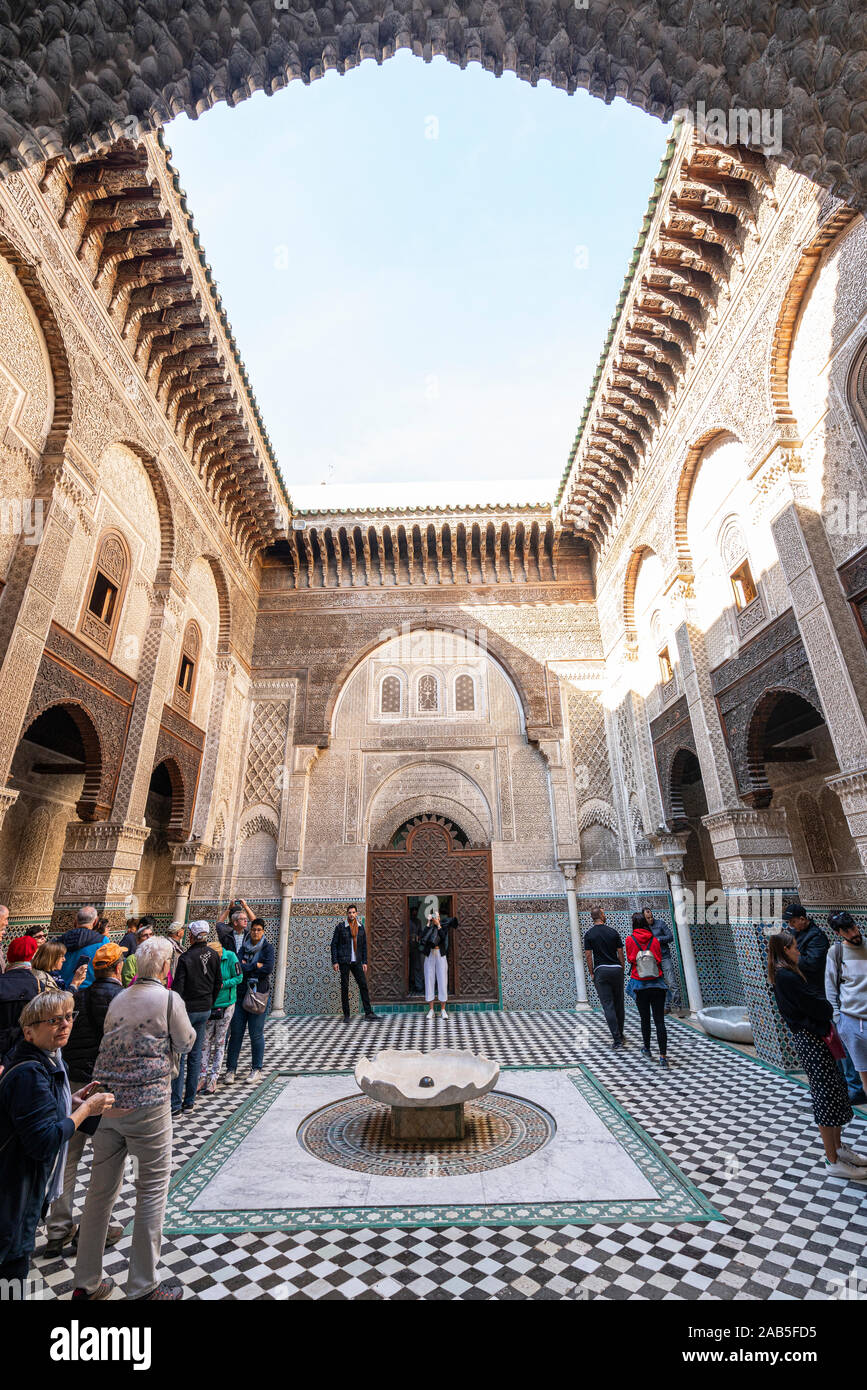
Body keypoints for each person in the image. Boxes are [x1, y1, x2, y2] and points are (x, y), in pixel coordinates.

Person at [72, 935, 195, 1301]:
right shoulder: (168, 999)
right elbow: (187, 1041)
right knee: (151, 1191)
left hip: (106, 1107)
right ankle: (142, 1287)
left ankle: (86, 1283)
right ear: (163, 968)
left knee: (99, 1194)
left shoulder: (118, 998)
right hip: (148, 1111)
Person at [0, 992, 115, 1286]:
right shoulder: (32, 1074)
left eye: (68, 1016)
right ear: (29, 1031)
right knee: (12, 1271)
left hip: (20, 1189)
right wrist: (87, 1110)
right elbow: (45, 1140)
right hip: (14, 1193)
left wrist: (69, 1103)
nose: (64, 1025)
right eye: (53, 1020)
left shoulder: (45, 1060)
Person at [42, 942, 127, 1257]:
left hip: (76, 1083)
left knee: (68, 1157)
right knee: (106, 1160)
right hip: (104, 1086)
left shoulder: (78, 996)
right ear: (118, 967)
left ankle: (58, 1229)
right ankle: (95, 1229)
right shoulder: (122, 1000)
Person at [768, 929, 867, 1181]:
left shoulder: (786, 974)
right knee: (825, 1096)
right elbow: (819, 1007)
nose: (798, 950)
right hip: (811, 1040)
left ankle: (837, 1149)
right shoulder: (787, 977)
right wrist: (824, 1006)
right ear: (785, 951)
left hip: (814, 1039)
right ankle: (832, 1159)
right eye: (794, 947)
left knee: (833, 1092)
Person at [170, 921, 222, 1115]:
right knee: (195, 1055)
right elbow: (218, 983)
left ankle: (175, 1103)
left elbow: (178, 989)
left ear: (191, 935)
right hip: (205, 1009)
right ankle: (189, 1102)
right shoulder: (214, 956)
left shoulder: (186, 958)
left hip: (187, 1011)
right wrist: (210, 1002)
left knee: (180, 1056)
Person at [225, 918, 279, 1081]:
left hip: (258, 995)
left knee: (256, 1033)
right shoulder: (243, 947)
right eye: (254, 929)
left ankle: (256, 1068)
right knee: (236, 1033)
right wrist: (256, 966)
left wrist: (248, 967)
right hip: (241, 994)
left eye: (258, 930)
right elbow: (238, 968)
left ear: (263, 931)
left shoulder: (267, 949)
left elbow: (268, 969)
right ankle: (231, 1069)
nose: (255, 932)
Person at [825, 911, 867, 1103]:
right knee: (863, 1071)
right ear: (838, 933)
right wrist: (838, 1020)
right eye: (847, 931)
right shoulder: (836, 953)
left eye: (854, 927)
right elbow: (831, 987)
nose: (854, 933)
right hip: (850, 1020)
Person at [625, 911, 669, 1068]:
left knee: (645, 1019)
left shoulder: (630, 939)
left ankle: (647, 1048)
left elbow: (631, 959)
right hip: (657, 984)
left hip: (640, 984)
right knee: (659, 1021)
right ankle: (663, 1055)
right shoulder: (655, 940)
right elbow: (658, 958)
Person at [199, 939, 242, 1095]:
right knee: (205, 1040)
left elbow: (239, 977)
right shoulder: (207, 958)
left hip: (226, 1004)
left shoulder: (230, 957)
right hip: (210, 1004)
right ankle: (202, 1076)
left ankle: (214, 1076)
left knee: (220, 1040)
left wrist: (223, 983)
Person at [329, 905, 380, 1026]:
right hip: (344, 961)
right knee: (345, 987)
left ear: (356, 914)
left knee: (363, 985)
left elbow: (363, 946)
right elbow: (333, 945)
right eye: (349, 913)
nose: (351, 914)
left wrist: (365, 962)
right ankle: (347, 1015)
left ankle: (368, 1013)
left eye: (353, 912)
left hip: (357, 961)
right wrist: (335, 961)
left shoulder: (361, 928)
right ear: (347, 914)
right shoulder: (341, 927)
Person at [584, 906, 626, 1047]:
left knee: (608, 1006)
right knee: (619, 1003)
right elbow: (620, 952)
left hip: (601, 971)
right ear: (601, 915)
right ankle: (620, 1033)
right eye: (604, 912)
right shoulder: (613, 932)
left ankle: (617, 1039)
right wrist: (622, 967)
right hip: (616, 970)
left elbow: (588, 955)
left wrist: (591, 972)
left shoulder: (589, 934)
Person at [0, 936, 42, 1060]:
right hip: (21, 1053)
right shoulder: (39, 986)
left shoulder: (2, 982)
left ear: (9, 956)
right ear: (33, 956)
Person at [419, 909, 459, 1021]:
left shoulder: (443, 926)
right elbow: (422, 936)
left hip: (440, 955)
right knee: (429, 980)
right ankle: (431, 1010)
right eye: (433, 916)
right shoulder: (429, 927)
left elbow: (442, 936)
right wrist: (428, 923)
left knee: (442, 980)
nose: (435, 918)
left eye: (437, 916)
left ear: (440, 918)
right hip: (430, 955)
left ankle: (442, 1009)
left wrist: (438, 925)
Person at [643, 905, 682, 1015]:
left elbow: (670, 937)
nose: (650, 919)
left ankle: (678, 1006)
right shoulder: (644, 928)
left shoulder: (660, 924)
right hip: (652, 959)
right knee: (660, 984)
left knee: (671, 982)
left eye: (651, 917)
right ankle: (666, 1006)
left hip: (664, 957)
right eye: (648, 918)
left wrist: (658, 939)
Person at [782, 902, 829, 992]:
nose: (791, 925)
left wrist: (790, 956)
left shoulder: (817, 937)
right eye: (789, 922)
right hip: (800, 981)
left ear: (802, 919)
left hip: (814, 985)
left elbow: (812, 964)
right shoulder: (796, 931)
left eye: (793, 921)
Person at [58, 908, 109, 990]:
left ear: (75, 920)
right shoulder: (103, 941)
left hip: (61, 989)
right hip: (88, 991)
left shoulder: (61, 939)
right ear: (95, 922)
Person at [121, 920, 155, 987]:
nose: (149, 937)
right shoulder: (131, 960)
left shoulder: (158, 956)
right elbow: (128, 982)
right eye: (145, 935)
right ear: (138, 941)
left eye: (151, 934)